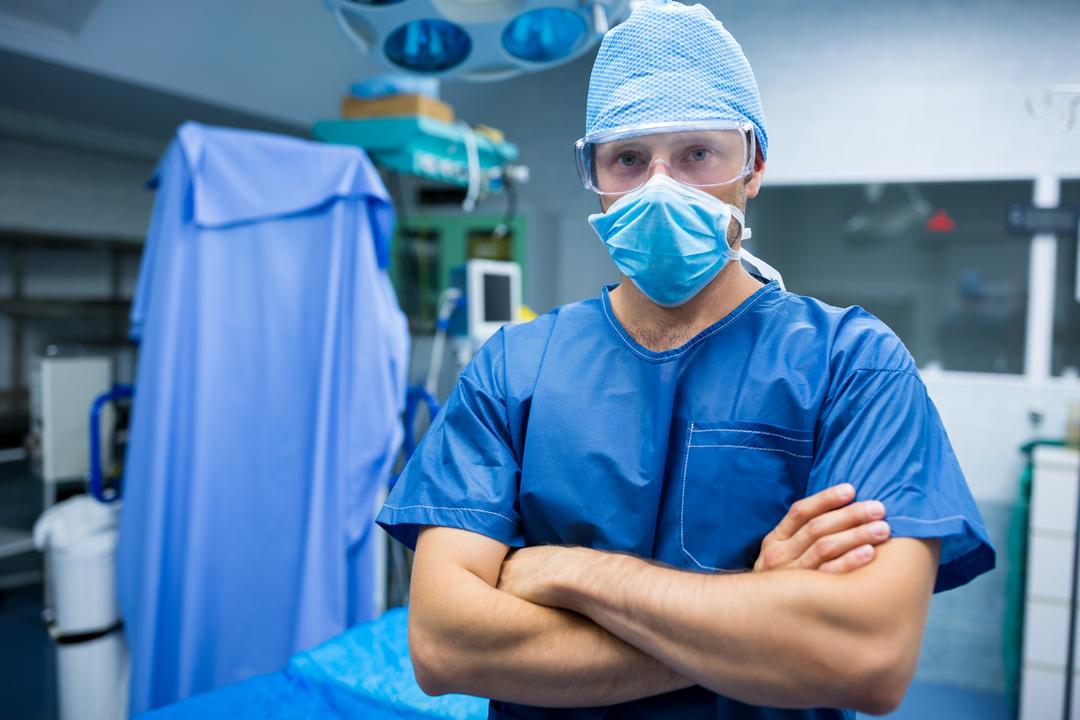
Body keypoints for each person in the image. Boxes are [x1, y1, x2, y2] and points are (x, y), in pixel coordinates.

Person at [376, 2, 995, 717]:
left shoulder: (851, 366)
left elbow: (867, 657)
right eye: (629, 159)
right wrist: (758, 611)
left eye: (698, 154)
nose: (660, 185)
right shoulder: (513, 369)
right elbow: (445, 647)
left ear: (754, 164)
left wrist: (566, 572)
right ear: (594, 173)